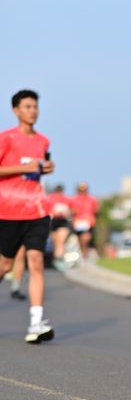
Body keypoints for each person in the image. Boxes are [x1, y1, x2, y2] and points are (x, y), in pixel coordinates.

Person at [0, 89, 56, 343]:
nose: (33, 111)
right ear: (16, 110)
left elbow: (37, 169)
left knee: (36, 261)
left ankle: (36, 323)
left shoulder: (43, 141)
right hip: (8, 210)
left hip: (37, 209)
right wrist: (22, 168)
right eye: (27, 107)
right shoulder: (6, 138)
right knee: (5, 265)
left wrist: (46, 168)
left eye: (35, 106)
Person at [46, 184, 73, 270]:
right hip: (53, 222)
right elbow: (46, 208)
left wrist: (66, 213)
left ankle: (59, 259)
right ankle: (55, 259)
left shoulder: (66, 199)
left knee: (60, 241)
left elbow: (72, 210)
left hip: (63, 222)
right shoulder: (50, 198)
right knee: (55, 242)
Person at [71, 182, 99, 259]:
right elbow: (71, 211)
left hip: (89, 222)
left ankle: (84, 256)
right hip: (77, 223)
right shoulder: (74, 199)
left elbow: (97, 210)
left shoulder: (92, 199)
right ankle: (82, 255)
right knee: (80, 240)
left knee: (86, 238)